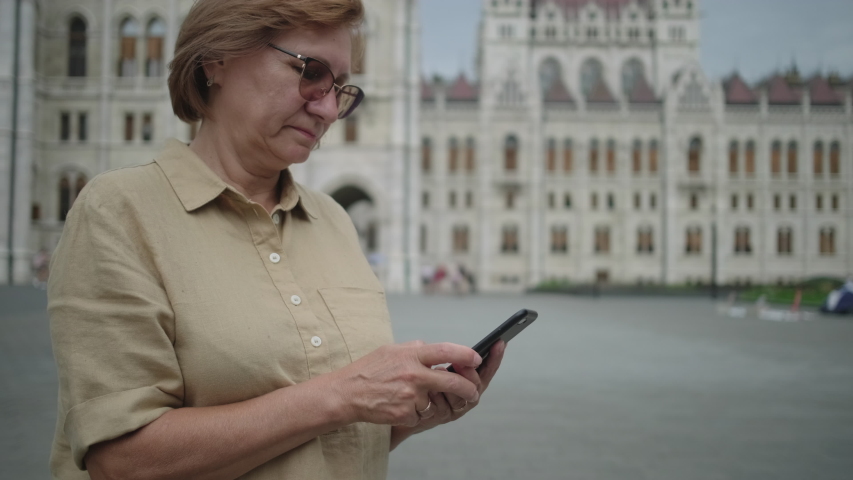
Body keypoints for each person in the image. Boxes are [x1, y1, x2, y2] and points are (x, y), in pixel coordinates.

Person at [47, 1, 506, 479]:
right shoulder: (118, 213)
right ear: (216, 59)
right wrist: (344, 394)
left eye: (341, 89)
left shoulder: (333, 220)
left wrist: (409, 411)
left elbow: (321, 439)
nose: (329, 109)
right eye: (310, 72)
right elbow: (120, 463)